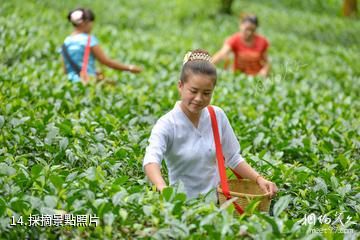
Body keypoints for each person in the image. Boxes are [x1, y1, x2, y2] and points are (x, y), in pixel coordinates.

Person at [143, 49, 277, 199]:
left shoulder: (217, 115)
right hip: (182, 208)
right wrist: (163, 190)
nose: (199, 98)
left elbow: (233, 157)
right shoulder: (167, 124)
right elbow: (151, 160)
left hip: (218, 207)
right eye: (193, 91)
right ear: (180, 86)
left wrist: (259, 179)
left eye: (207, 93)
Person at [61, 8, 142, 83]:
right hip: (87, 81)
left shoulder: (66, 41)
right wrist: (129, 68)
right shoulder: (89, 40)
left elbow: (65, 70)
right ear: (85, 22)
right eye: (91, 23)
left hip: (70, 82)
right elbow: (106, 62)